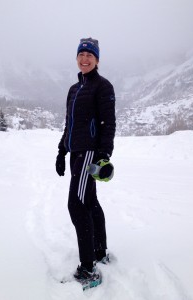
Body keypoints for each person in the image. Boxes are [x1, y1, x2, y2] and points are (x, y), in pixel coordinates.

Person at [56, 37, 116, 284]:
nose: (85, 59)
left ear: (97, 60)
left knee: (77, 205)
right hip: (75, 153)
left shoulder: (102, 86)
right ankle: (100, 252)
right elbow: (69, 124)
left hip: (89, 153)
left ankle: (89, 268)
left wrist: (104, 153)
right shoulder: (74, 89)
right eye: (81, 54)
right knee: (89, 202)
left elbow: (108, 122)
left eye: (90, 55)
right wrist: (61, 150)